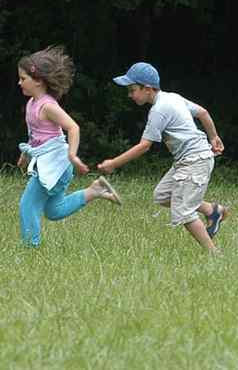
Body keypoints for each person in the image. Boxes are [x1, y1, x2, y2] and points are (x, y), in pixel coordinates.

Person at [97, 62, 229, 253]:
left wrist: (113, 163)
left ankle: (214, 253)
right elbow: (203, 112)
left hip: (195, 160)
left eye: (133, 90)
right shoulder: (172, 97)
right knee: (162, 195)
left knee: (183, 212)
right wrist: (213, 136)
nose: (130, 95)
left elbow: (144, 146)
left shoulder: (159, 110)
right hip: (187, 160)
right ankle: (213, 211)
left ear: (148, 89)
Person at [16, 46, 121, 248]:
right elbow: (36, 135)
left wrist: (72, 155)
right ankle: (95, 191)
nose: (19, 82)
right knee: (54, 211)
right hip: (49, 164)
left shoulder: (48, 106)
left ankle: (30, 250)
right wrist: (26, 153)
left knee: (27, 206)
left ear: (38, 80)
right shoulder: (31, 103)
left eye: (23, 78)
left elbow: (73, 127)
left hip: (56, 165)